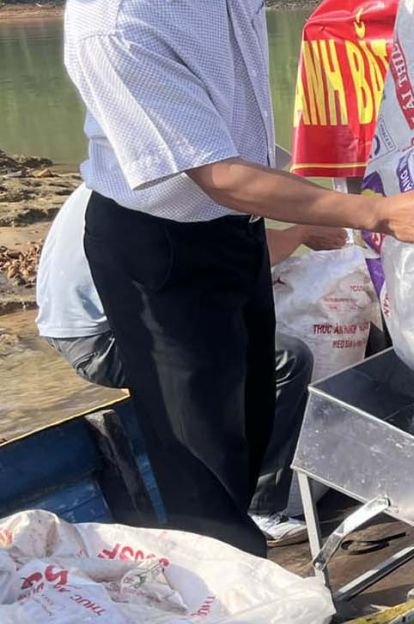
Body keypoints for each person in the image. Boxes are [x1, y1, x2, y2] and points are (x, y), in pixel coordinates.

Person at [66, 0, 414, 556]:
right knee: (197, 458)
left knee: (243, 414)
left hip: (236, 230)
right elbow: (220, 176)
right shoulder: (114, 17)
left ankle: (241, 544)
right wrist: (374, 211)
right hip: (159, 250)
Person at [35, 186, 341, 546]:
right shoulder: (170, 189)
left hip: (85, 329)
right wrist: (302, 231)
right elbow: (247, 254)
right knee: (286, 360)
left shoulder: (118, 176)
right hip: (102, 342)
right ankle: (260, 508)